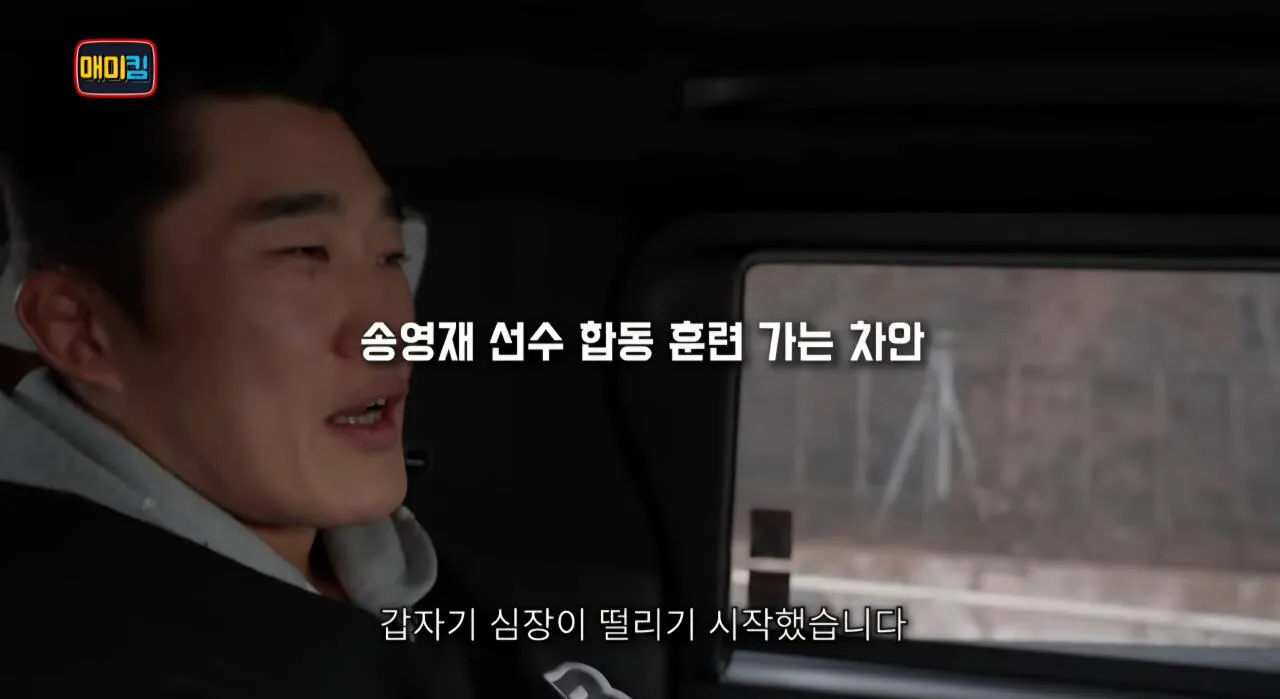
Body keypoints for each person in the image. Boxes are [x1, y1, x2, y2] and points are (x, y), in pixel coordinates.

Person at [0, 27, 598, 699]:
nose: (391, 331)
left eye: (391, 256)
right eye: (304, 253)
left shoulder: (376, 563)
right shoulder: (70, 652)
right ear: (80, 329)